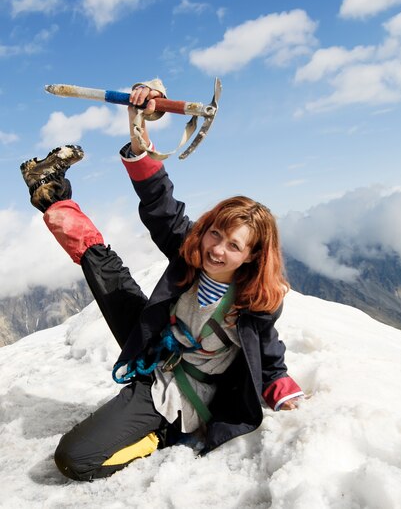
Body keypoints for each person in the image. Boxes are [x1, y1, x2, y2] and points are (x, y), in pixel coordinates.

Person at [20, 79, 304, 482]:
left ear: (252, 256)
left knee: (76, 458)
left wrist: (278, 384)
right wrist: (139, 133)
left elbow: (267, 348)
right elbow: (160, 204)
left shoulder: (257, 299)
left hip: (177, 393)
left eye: (234, 246)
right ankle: (52, 196)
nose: (217, 250)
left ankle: (159, 436)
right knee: (107, 273)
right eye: (215, 235)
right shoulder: (192, 250)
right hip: (154, 344)